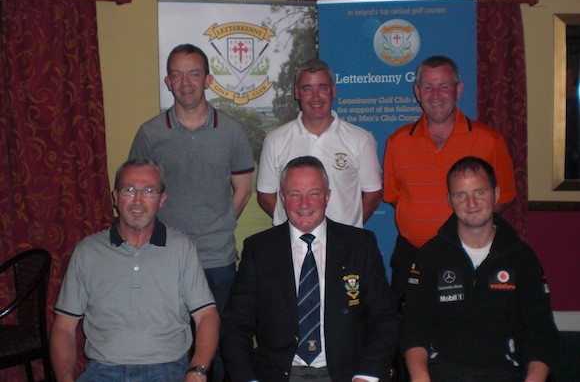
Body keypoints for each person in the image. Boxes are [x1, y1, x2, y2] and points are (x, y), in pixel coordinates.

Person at [129, 44, 254, 380]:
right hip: (165, 257)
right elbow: (136, 193)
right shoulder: (150, 134)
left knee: (220, 343)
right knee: (170, 341)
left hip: (218, 259)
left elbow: (243, 188)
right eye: (177, 74)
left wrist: (223, 223)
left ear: (208, 79)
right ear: (168, 81)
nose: (186, 82)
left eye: (194, 73)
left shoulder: (231, 131)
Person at [221, 156, 401, 381]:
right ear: (283, 198)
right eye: (294, 194)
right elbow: (235, 324)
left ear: (327, 196)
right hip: (278, 374)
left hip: (348, 375)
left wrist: (366, 375)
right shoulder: (259, 250)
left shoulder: (359, 245)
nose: (304, 204)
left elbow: (385, 318)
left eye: (314, 193)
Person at [50, 158, 219, 382]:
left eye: (149, 191)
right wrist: (64, 377)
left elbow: (207, 316)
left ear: (162, 199)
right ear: (116, 197)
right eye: (129, 190)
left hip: (168, 370)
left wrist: (197, 371)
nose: (138, 200)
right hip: (104, 370)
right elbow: (63, 327)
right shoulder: (87, 252)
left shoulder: (182, 248)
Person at [401, 156, 558, 382]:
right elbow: (414, 329)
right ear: (450, 200)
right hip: (442, 374)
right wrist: (421, 378)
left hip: (507, 374)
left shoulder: (522, 257)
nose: (471, 203)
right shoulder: (430, 256)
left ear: (495, 194)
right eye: (460, 195)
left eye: (480, 192)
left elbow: (541, 331)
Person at [383, 55, 517, 297]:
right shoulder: (397, 142)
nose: (436, 95)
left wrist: (471, 228)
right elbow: (394, 197)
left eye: (444, 86)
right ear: (417, 92)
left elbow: (504, 196)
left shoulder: (489, 141)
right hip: (412, 256)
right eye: (428, 87)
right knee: (409, 328)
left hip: (472, 258)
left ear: (458, 89)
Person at [257, 59, 382, 228]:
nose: (315, 97)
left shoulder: (360, 139)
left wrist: (346, 233)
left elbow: (373, 194)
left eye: (322, 88)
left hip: (344, 246)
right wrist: (298, 227)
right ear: (296, 93)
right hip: (291, 246)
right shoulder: (275, 140)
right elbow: (265, 195)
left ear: (333, 91)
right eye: (307, 88)